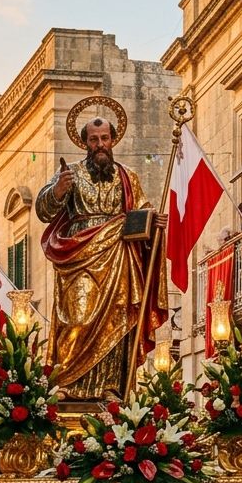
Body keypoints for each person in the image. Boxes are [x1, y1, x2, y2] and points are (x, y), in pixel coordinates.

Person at [35, 114, 167, 398]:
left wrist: (154, 221)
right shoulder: (69, 173)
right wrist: (58, 191)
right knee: (77, 318)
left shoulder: (127, 176)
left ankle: (109, 386)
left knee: (116, 319)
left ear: (112, 140)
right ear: (85, 142)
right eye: (93, 140)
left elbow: (141, 211)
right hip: (79, 255)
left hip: (118, 256)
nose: (100, 145)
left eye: (104, 139)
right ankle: (67, 380)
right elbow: (43, 210)